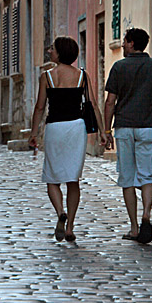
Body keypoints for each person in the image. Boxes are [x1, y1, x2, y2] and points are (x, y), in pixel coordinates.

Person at [29, 36, 107, 242]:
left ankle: (60, 212)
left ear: (60, 52)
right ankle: (70, 226)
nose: (49, 51)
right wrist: (103, 131)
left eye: (52, 49)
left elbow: (39, 107)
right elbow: (93, 105)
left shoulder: (47, 77)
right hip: (76, 128)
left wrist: (33, 133)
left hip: (55, 127)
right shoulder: (82, 75)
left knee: (52, 177)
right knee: (73, 179)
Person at [104, 28, 152, 244]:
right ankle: (146, 215)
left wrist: (107, 131)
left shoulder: (119, 67)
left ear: (132, 43)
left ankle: (134, 227)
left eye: (125, 42)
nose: (123, 45)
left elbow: (110, 102)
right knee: (148, 175)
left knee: (127, 177)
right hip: (148, 128)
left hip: (124, 127)